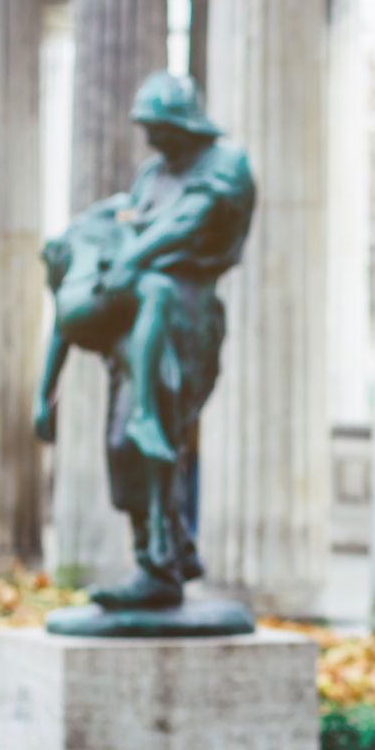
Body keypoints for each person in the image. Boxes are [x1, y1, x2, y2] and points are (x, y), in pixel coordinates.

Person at [34, 71, 255, 609]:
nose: (149, 138)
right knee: (122, 444)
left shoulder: (226, 164)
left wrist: (132, 257)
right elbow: (125, 226)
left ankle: (162, 564)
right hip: (135, 321)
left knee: (157, 436)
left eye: (156, 126)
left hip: (185, 313)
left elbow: (186, 225)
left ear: (182, 124)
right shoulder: (151, 174)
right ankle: (167, 553)